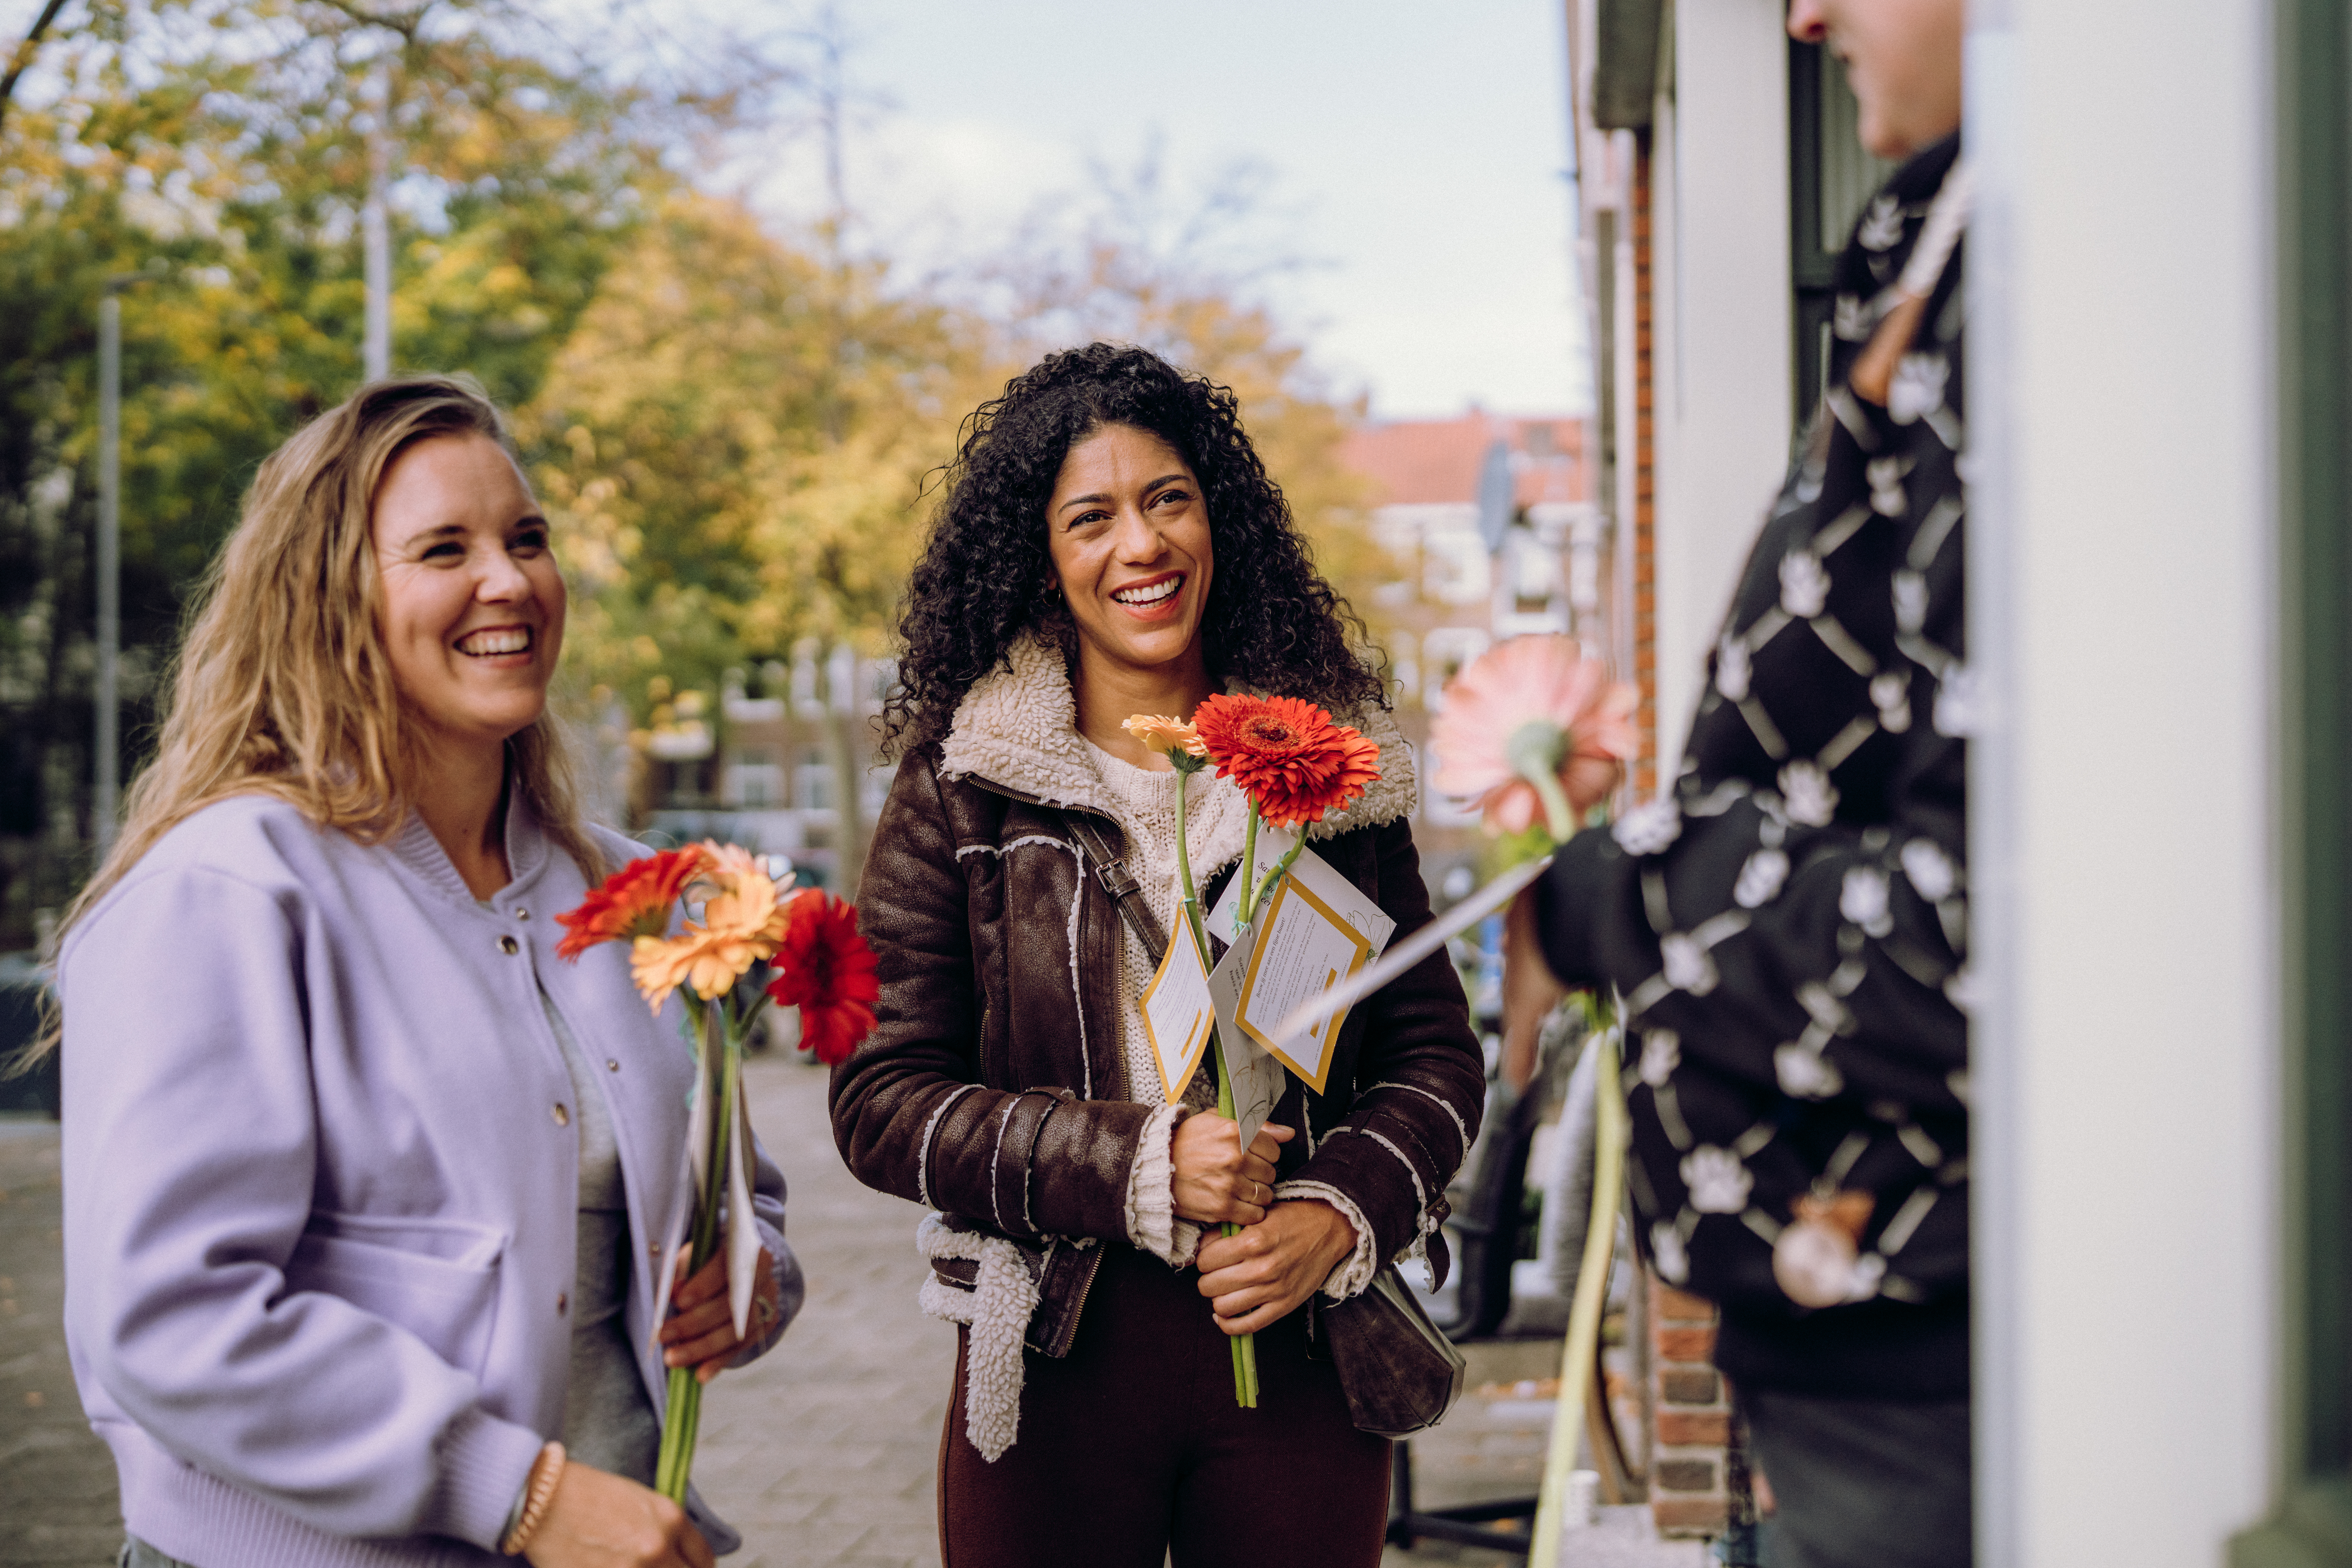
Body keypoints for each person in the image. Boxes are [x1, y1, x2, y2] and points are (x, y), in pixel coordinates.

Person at [51, 375, 803, 1568]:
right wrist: (526, 1496)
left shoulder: (636, 891)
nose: (508, 581)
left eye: (527, 540)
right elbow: (168, 1312)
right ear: (332, 599)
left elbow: (735, 1191)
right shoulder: (228, 893)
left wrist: (748, 1273)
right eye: (443, 549)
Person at [832, 343, 1482, 1568]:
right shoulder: (965, 783)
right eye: (1092, 517)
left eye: (1169, 500)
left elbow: (1436, 1057)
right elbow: (880, 1102)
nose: (1141, 546)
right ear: (1044, 557)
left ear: (1216, 518)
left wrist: (1341, 1213)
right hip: (1052, 1366)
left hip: (1294, 1346)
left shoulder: (1326, 772)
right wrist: (1136, 1160)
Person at [1504, 3, 1971, 1565]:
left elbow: (1985, 932)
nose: (1804, 12)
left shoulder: (2041, 302)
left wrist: (1619, 896)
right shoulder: (1938, 255)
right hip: (1856, 1328)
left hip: (1930, 1350)